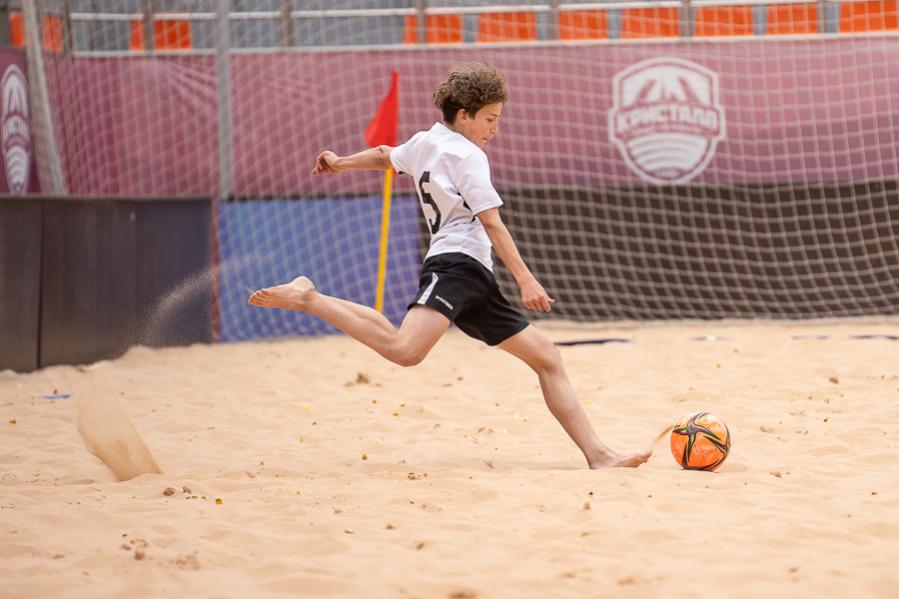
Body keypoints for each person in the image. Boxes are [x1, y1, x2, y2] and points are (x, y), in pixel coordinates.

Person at [248, 64, 651, 469]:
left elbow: (385, 155)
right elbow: (492, 222)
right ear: (463, 115)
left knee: (547, 357)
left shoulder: (425, 141)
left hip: (475, 275)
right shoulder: (468, 155)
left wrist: (340, 163)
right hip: (456, 266)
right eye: (489, 119)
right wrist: (527, 280)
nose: (495, 129)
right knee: (405, 350)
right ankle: (309, 298)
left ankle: (599, 455)